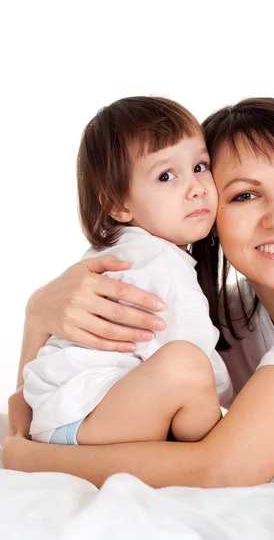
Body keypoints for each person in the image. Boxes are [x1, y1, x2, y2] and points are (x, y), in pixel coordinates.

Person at [4, 97, 274, 490]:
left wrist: (31, 459)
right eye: (244, 195)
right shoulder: (229, 314)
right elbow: (33, 400)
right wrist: (37, 315)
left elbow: (224, 468)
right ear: (211, 212)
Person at [22, 96, 232, 447]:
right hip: (84, 412)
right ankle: (217, 451)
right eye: (166, 176)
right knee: (190, 366)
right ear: (118, 205)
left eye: (199, 166)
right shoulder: (156, 260)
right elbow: (197, 351)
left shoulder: (123, 249)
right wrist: (234, 406)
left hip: (64, 413)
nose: (197, 188)